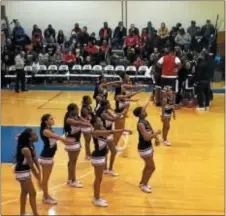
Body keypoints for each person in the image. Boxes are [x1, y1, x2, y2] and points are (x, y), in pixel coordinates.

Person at [90, 115, 132, 207]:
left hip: (100, 156)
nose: (100, 122)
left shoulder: (100, 128)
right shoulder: (96, 131)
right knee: (98, 179)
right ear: (94, 124)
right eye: (98, 121)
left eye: (101, 120)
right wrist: (123, 130)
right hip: (97, 157)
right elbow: (110, 131)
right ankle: (96, 199)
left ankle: (97, 197)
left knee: (99, 178)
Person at [39, 114, 74, 204]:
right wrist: (68, 141)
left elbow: (58, 139)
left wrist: (67, 143)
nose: (53, 120)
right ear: (46, 121)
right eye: (51, 119)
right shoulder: (45, 131)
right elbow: (57, 137)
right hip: (46, 157)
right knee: (45, 179)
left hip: (49, 157)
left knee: (46, 179)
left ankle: (46, 195)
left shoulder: (50, 129)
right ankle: (45, 197)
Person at [133, 97, 161, 193]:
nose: (145, 111)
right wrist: (156, 134)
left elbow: (151, 131)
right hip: (144, 148)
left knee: (147, 166)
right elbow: (146, 137)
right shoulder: (140, 124)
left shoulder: (146, 121)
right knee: (152, 167)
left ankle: (142, 182)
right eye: (144, 111)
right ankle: (144, 185)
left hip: (148, 146)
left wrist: (156, 139)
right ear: (141, 114)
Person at [64, 103, 92, 187]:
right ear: (72, 110)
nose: (78, 110)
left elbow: (85, 121)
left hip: (76, 141)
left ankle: (70, 179)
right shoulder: (69, 119)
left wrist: (88, 120)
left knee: (72, 162)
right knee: (73, 162)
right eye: (76, 109)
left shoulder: (77, 117)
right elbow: (79, 123)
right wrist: (87, 123)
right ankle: (73, 181)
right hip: (72, 142)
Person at [14, 128, 41, 216]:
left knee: (24, 192)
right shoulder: (25, 149)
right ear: (29, 138)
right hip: (22, 172)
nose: (36, 136)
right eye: (34, 135)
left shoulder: (31, 145)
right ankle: (36, 214)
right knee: (33, 193)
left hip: (24, 171)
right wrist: (37, 176)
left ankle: (22, 213)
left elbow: (35, 158)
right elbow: (31, 165)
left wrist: (39, 170)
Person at [96, 99, 124, 176]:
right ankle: (110, 169)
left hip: (108, 133)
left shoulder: (106, 111)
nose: (110, 104)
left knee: (107, 152)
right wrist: (123, 113)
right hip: (105, 134)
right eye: (109, 103)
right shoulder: (103, 114)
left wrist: (119, 114)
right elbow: (114, 119)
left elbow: (114, 117)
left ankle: (105, 169)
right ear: (106, 105)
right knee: (113, 151)